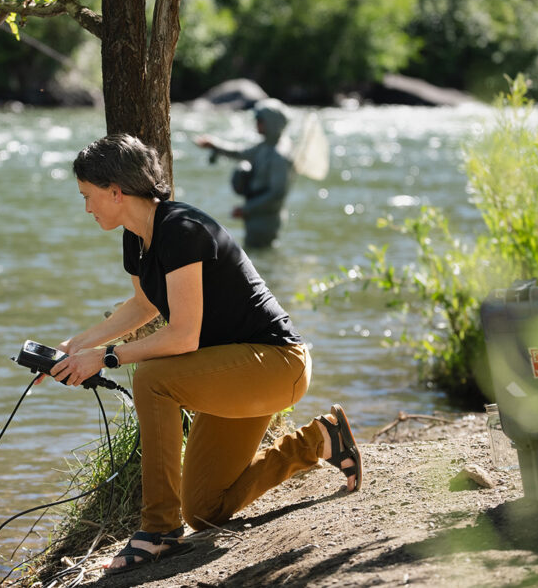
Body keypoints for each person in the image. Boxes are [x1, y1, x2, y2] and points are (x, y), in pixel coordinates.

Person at [49, 133, 362, 575]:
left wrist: (107, 357)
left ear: (115, 192)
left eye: (88, 196)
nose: (86, 207)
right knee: (205, 510)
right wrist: (76, 345)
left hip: (276, 365)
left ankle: (157, 529)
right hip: (234, 371)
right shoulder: (136, 238)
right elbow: (144, 306)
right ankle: (321, 440)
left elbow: (183, 336)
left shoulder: (181, 230)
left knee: (152, 379)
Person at [195, 98, 294, 249]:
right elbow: (240, 152)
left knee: (259, 253)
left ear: (272, 122)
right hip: (256, 213)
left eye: (260, 119)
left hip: (266, 218)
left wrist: (247, 209)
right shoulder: (266, 145)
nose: (256, 123)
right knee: (254, 254)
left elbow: (277, 193)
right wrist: (215, 145)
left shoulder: (279, 155)